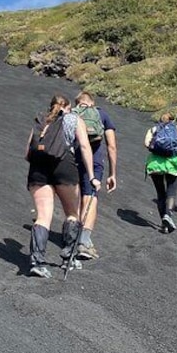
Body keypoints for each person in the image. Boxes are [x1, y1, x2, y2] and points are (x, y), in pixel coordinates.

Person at [25, 95, 100, 278]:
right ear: (67, 107)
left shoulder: (41, 120)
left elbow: (27, 153)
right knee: (72, 214)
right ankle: (69, 257)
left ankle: (37, 261)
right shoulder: (74, 119)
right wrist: (92, 177)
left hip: (38, 169)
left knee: (42, 216)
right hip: (64, 166)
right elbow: (84, 146)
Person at [69, 91, 117, 260]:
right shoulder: (101, 114)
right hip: (95, 163)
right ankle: (83, 241)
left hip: (72, 160)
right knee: (90, 198)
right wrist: (112, 173)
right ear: (92, 102)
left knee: (76, 197)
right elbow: (111, 146)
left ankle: (73, 235)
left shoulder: (71, 114)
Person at [144, 113, 177, 233]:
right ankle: (168, 215)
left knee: (161, 193)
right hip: (173, 164)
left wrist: (156, 149)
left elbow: (146, 144)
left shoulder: (153, 129)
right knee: (171, 192)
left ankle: (163, 222)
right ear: (172, 120)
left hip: (155, 164)